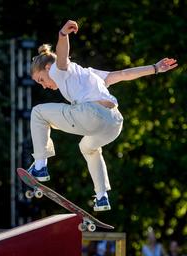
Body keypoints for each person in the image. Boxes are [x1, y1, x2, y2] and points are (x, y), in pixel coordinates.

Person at [29, 20, 178, 211]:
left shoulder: (58, 69)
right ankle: (101, 197)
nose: (44, 85)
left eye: (41, 80)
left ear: (47, 68)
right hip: (114, 122)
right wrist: (155, 68)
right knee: (87, 146)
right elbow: (123, 74)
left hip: (91, 114)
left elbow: (62, 56)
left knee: (38, 112)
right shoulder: (89, 73)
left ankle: (40, 165)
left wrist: (62, 35)